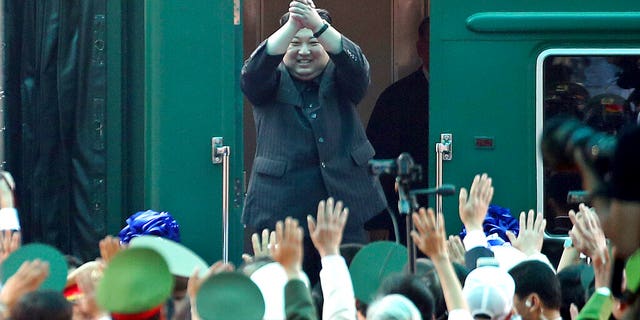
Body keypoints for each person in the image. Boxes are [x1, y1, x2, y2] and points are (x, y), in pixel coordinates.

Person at [240, 0, 386, 285]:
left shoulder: (343, 77)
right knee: (283, 290)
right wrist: (294, 24)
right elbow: (251, 74)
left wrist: (318, 25)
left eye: (314, 43)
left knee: (347, 287)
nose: (304, 52)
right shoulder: (268, 79)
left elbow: (359, 69)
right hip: (280, 209)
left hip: (342, 210)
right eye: (295, 43)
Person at [365, 17, 430, 244]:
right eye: (432, 42)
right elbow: (376, 162)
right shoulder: (395, 98)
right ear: (420, 47)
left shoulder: (469, 96)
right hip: (403, 216)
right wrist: (379, 221)